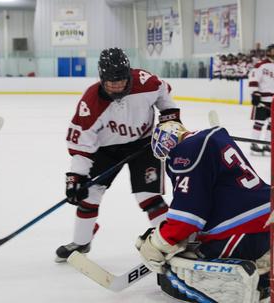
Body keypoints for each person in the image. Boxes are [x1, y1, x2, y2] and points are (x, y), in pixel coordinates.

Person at [55, 47, 181, 262]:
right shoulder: (91, 102)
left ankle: (172, 242)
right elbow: (82, 145)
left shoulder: (146, 82)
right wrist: (75, 177)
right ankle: (82, 241)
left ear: (128, 75)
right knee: (89, 195)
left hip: (143, 145)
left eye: (120, 81)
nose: (115, 86)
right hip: (106, 150)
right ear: (101, 78)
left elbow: (164, 93)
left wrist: (169, 118)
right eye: (110, 82)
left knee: (148, 197)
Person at [136, 121, 274, 302]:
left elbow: (187, 217)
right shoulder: (211, 139)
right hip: (267, 219)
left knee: (182, 265)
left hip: (242, 228)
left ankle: (250, 288)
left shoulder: (186, 152)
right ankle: (268, 267)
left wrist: (159, 243)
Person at [248, 43, 274, 155]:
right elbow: (253, 79)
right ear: (268, 52)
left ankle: (267, 144)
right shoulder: (260, 65)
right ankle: (254, 144)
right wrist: (254, 94)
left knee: (272, 123)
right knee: (259, 122)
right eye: (273, 50)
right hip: (262, 99)